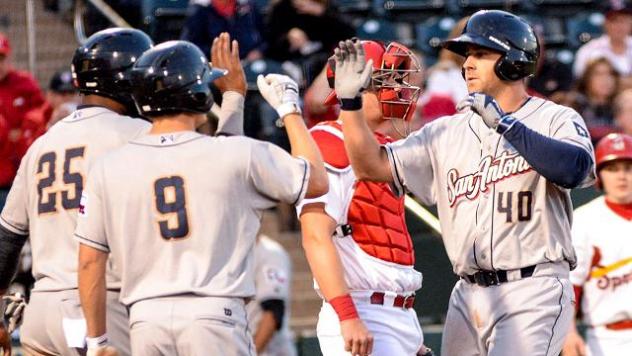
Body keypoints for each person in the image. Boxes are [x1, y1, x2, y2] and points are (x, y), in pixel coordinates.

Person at [334, 10, 595, 356]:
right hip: (468, 292)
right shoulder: (447, 130)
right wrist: (350, 106)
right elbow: (371, 167)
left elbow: (574, 170)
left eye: (481, 54)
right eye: (467, 55)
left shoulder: (554, 118)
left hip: (532, 287)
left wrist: (507, 126)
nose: (468, 64)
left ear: (513, 61)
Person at [75, 39, 327, 356]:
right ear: (198, 95)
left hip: (144, 320)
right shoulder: (235, 154)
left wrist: (97, 342)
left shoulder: (108, 167)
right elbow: (315, 181)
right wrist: (289, 109)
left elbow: (88, 261)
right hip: (213, 315)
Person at [0, 28, 154, 356]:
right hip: (102, 307)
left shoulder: (41, 144)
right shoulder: (141, 134)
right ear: (127, 81)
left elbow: (7, 242)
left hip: (42, 310)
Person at [297, 39, 434, 356]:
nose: (398, 91)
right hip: (361, 310)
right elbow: (316, 236)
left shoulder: (383, 148)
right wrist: (348, 316)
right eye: (388, 82)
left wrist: (407, 332)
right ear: (355, 88)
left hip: (397, 313)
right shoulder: (329, 140)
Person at [562, 133, 632, 356]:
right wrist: (568, 331)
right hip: (607, 341)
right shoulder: (584, 220)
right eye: (612, 169)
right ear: (599, 175)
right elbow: (570, 286)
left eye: (628, 168)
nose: (622, 176)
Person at [0, 32, 47, 203]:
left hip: (26, 168)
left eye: (1, 59)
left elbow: (41, 111)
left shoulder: (24, 82)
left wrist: (25, 128)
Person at [248, 234, 297, 356]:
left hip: (269, 350)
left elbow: (274, 312)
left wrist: (252, 353)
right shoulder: (235, 253)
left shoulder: (271, 253)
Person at [562, 57, 620, 144]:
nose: (605, 79)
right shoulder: (574, 105)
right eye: (598, 74)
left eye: (610, 74)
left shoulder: (621, 105)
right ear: (587, 78)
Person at [573, 4, 632, 78]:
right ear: (605, 23)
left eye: (624, 21)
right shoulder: (589, 50)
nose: (619, 26)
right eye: (614, 21)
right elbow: (582, 83)